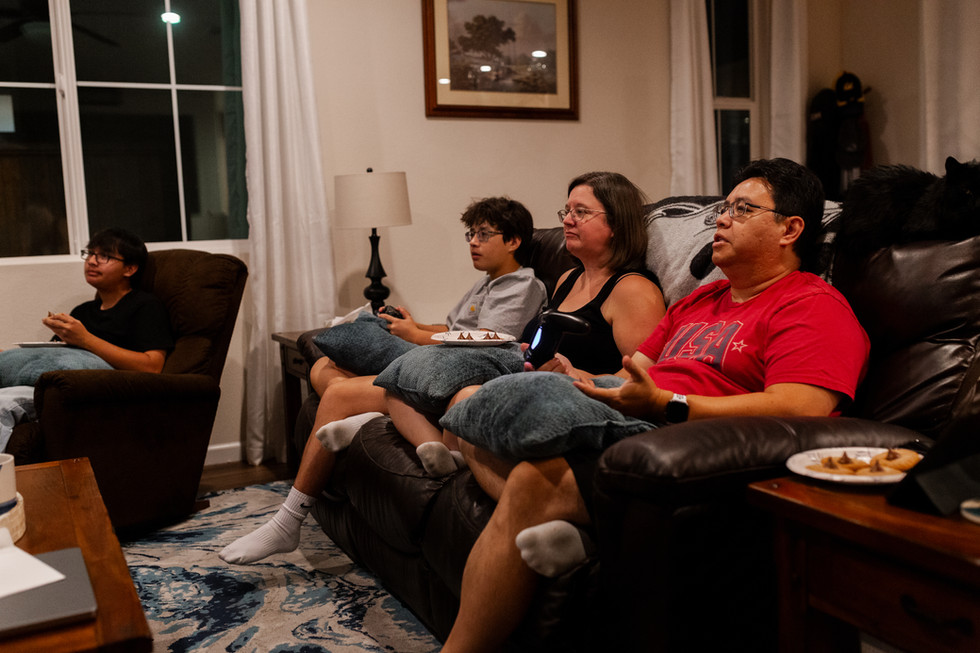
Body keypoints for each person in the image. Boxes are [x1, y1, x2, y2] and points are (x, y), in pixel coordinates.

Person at [436, 158, 870, 652]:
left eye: (742, 209)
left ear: (790, 229)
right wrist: (583, 379)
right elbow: (631, 372)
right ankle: (581, 527)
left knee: (534, 478)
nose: (721, 219)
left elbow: (802, 407)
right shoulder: (695, 304)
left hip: (690, 447)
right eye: (723, 208)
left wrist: (670, 403)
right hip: (633, 417)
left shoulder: (811, 304)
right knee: (470, 414)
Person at [219, 196, 548, 565]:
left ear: (514, 241)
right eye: (470, 233)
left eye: (484, 234)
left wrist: (416, 337)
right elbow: (452, 329)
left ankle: (288, 520)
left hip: (458, 372)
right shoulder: (486, 283)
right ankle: (374, 417)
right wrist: (412, 324)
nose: (473, 241)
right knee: (323, 366)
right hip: (438, 360)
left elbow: (488, 340)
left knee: (338, 393)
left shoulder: (522, 284)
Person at [383, 171, 668, 476]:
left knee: (464, 397)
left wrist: (578, 374)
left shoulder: (633, 289)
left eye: (581, 212)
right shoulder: (567, 279)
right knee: (399, 391)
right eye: (567, 211)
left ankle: (454, 464)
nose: (568, 220)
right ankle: (445, 457)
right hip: (533, 379)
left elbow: (639, 377)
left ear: (616, 224)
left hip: (584, 396)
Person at [0, 228, 174, 451]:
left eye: (105, 256)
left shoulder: (146, 307)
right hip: (52, 390)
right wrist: (10, 356)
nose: (92, 261)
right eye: (90, 254)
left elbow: (153, 366)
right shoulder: (82, 312)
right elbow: (51, 357)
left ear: (130, 269)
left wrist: (86, 340)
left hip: (103, 395)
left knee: (2, 405)